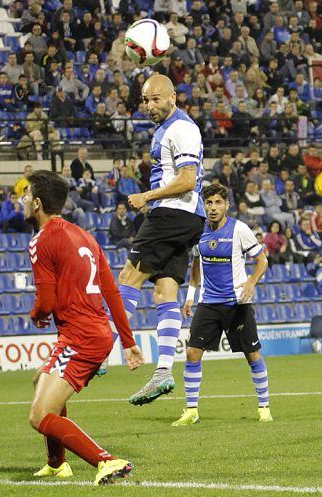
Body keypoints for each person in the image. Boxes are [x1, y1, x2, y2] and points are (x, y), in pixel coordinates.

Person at [23, 169, 142, 485]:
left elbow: (45, 302)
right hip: (97, 332)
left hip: (79, 336)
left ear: (37, 203)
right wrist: (128, 342)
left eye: (25, 195)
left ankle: (106, 461)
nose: (21, 200)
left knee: (39, 415)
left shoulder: (42, 240)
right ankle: (56, 463)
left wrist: (36, 314)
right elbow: (112, 291)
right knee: (42, 382)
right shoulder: (85, 236)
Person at [110, 74, 206, 406]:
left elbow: (188, 180)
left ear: (173, 97)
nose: (150, 106)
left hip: (172, 213)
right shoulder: (166, 128)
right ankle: (164, 371)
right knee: (165, 289)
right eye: (145, 100)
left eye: (156, 99)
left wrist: (147, 196)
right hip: (188, 219)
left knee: (128, 277)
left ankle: (100, 350)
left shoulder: (181, 128)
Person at [172, 184, 271, 426]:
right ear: (204, 206)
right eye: (209, 203)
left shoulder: (240, 229)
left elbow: (262, 260)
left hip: (237, 303)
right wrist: (190, 295)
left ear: (227, 205)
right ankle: (191, 411)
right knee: (193, 353)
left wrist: (251, 281)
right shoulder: (198, 231)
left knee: (253, 354)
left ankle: (264, 406)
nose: (213, 208)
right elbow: (196, 264)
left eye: (218, 203)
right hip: (208, 303)